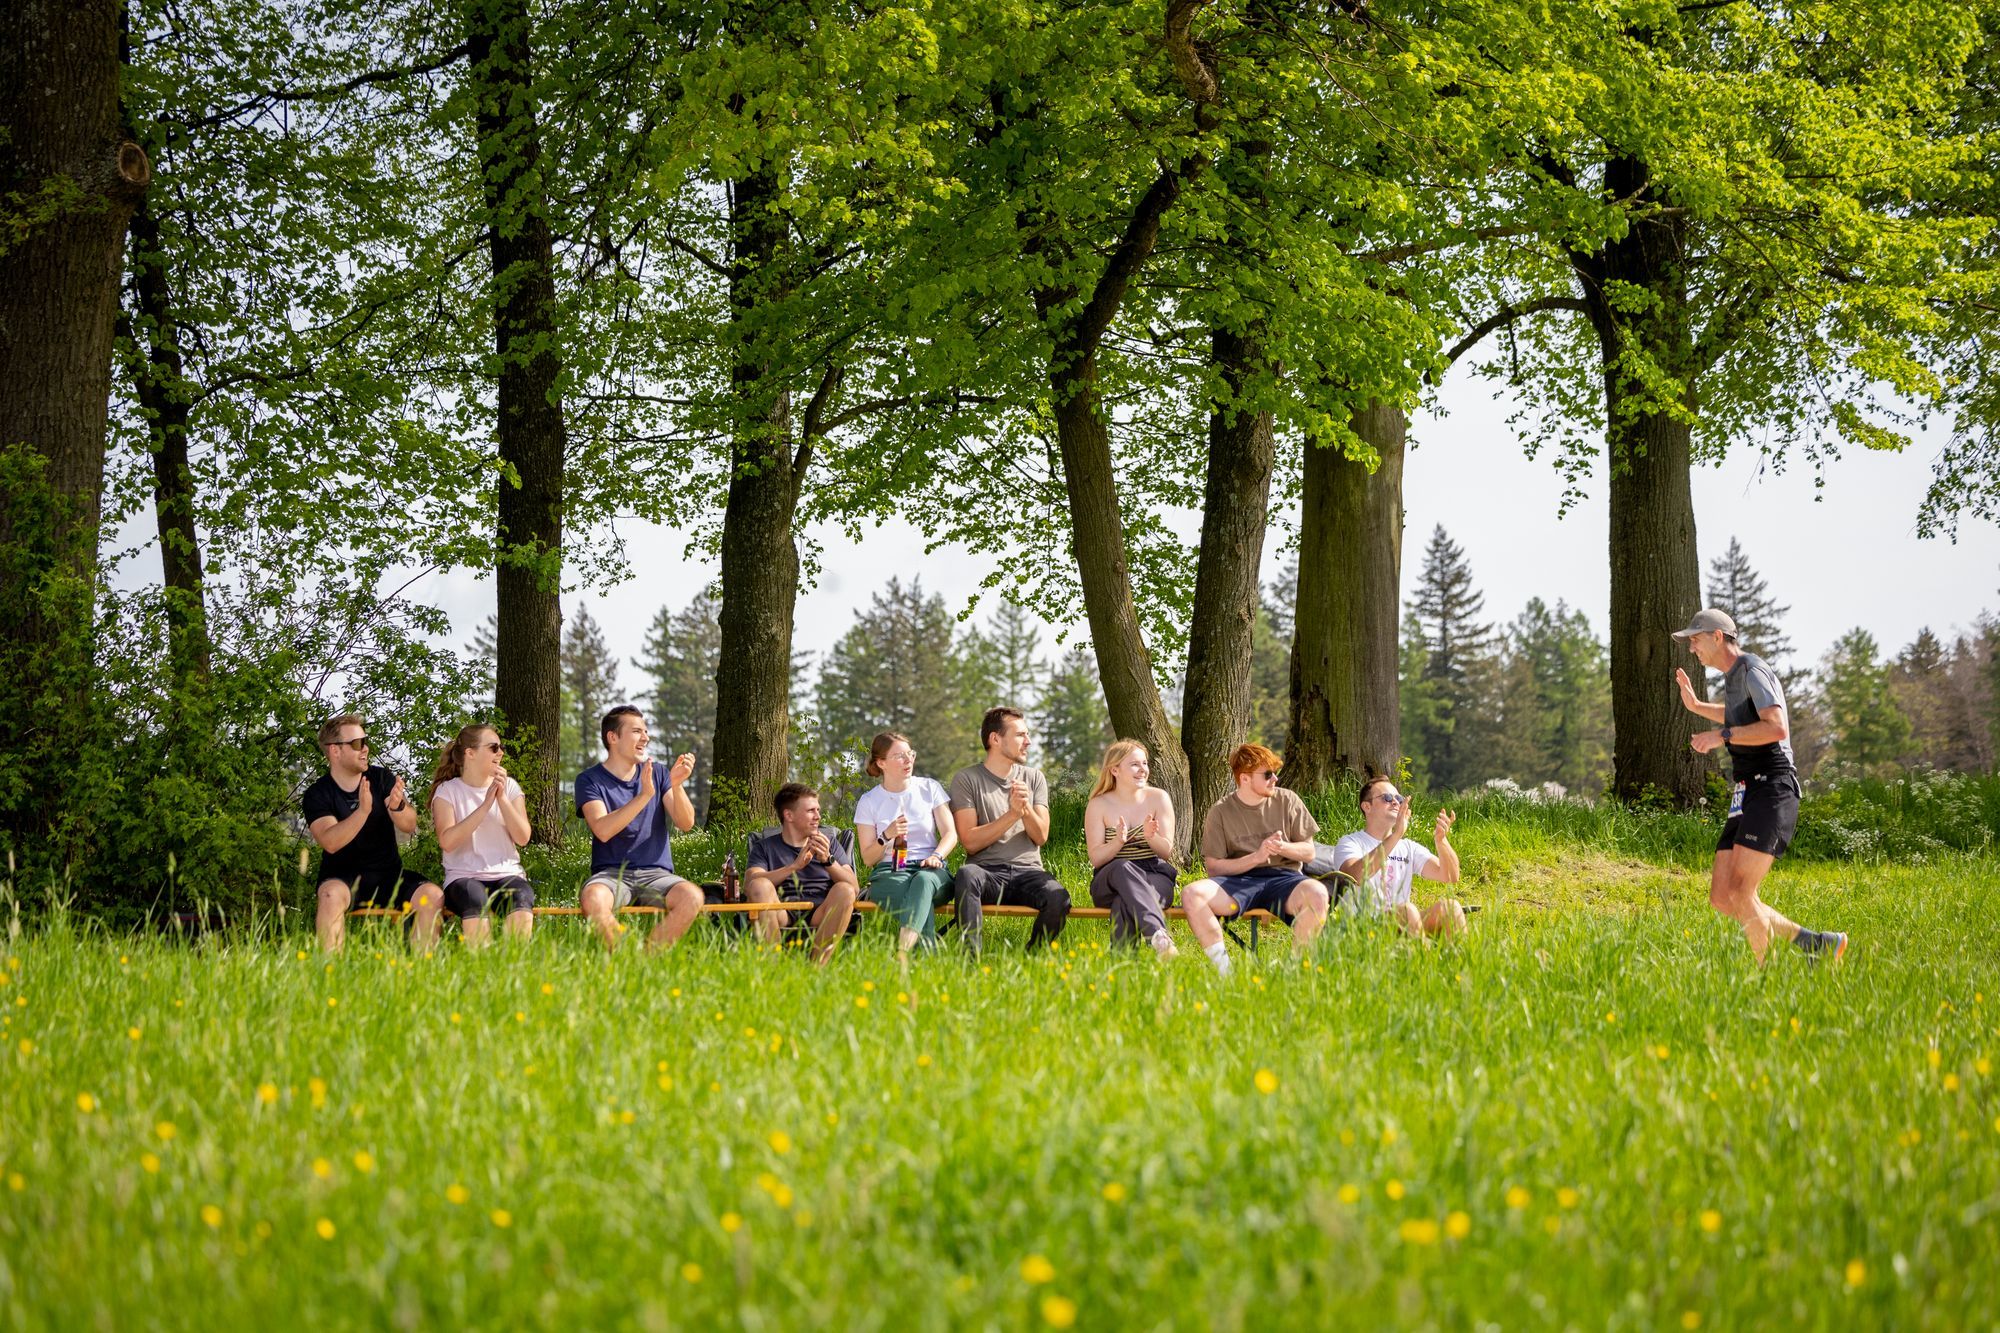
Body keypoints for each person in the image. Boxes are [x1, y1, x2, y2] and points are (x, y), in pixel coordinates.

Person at [1673, 607, 1846, 964]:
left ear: (1717, 637)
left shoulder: (1753, 670)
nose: (1692, 648)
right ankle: (1816, 944)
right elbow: (1737, 715)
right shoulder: (1734, 676)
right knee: (1723, 896)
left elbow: (1775, 727)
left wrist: (1721, 736)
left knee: (1741, 891)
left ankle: (1764, 976)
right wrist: (1697, 706)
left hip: (1772, 787)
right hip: (1746, 790)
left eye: (1696, 640)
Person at [303, 713, 444, 953]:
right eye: (357, 744)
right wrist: (362, 812)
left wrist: (397, 807)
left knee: (432, 895)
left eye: (366, 742)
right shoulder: (318, 794)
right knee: (329, 896)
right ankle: (329, 969)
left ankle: (423, 968)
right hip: (343, 878)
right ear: (335, 750)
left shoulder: (380, 778)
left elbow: (410, 825)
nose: (365, 749)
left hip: (388, 876)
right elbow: (330, 841)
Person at [1181, 744, 1329, 969]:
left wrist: (1281, 848)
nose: (1275, 779)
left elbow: (1309, 852)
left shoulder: (1287, 800)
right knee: (1192, 894)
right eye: (1267, 774)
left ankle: (1294, 971)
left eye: (1275, 773)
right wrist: (1256, 857)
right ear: (1245, 778)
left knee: (1318, 893)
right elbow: (1214, 868)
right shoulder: (1220, 811)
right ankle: (1224, 972)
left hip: (1285, 878)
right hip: (1238, 882)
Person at [575, 705, 701, 952]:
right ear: (613, 737)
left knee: (692, 896)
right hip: (611, 875)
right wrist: (644, 796)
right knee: (592, 898)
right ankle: (625, 954)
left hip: (657, 875)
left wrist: (676, 784)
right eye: (636, 731)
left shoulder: (658, 773)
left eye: (646, 731)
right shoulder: (589, 780)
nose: (646, 737)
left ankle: (647, 958)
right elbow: (602, 829)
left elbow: (686, 823)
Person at [949, 707, 1069, 954]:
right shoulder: (966, 779)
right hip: (987, 873)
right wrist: (1012, 815)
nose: (1028, 741)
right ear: (995, 738)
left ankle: (1032, 957)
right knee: (966, 875)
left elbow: (1041, 836)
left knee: (1058, 897)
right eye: (1020, 735)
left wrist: (1025, 809)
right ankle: (970, 960)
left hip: (1029, 873)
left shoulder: (1034, 778)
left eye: (1028, 734)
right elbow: (970, 841)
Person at [428, 723, 536, 947]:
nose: (500, 753)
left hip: (507, 873)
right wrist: (486, 805)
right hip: (463, 877)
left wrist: (501, 798)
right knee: (475, 899)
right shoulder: (448, 791)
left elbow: (523, 837)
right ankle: (482, 963)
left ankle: (515, 964)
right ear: (471, 753)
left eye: (501, 747)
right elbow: (447, 841)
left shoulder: (511, 787)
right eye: (493, 747)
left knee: (521, 897)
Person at [854, 732, 958, 955]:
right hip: (890, 872)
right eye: (899, 756)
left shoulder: (929, 788)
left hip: (931, 868)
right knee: (920, 900)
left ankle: (902, 953)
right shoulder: (869, 801)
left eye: (910, 754)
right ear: (881, 763)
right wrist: (886, 836)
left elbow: (950, 834)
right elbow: (868, 858)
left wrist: (937, 856)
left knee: (923, 881)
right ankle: (923, 964)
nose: (908, 760)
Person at [1331, 777, 1465, 939]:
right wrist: (1396, 835)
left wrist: (1441, 841)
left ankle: (1456, 956)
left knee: (1451, 908)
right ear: (1367, 806)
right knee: (1408, 911)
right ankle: (1423, 954)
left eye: (1399, 798)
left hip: (1402, 921)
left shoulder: (1408, 847)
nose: (1395, 802)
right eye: (1387, 798)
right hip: (1364, 928)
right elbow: (1355, 876)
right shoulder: (1350, 842)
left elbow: (1450, 876)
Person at [745, 783, 861, 966]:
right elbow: (750, 883)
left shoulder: (829, 844)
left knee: (845, 890)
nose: (818, 816)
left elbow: (854, 888)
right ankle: (773, 967)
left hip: (822, 912)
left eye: (818, 810)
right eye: (810, 811)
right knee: (759, 885)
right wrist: (793, 867)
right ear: (789, 815)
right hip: (781, 911)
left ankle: (816, 969)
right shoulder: (765, 847)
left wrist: (828, 860)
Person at [1083, 740, 1178, 959]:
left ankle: (1124, 968)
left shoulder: (1159, 798)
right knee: (1122, 866)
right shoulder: (1098, 804)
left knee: (1123, 901)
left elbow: (1166, 852)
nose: (1143, 769)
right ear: (1115, 770)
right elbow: (1096, 858)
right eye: (1135, 764)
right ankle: (1157, 934)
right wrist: (1118, 842)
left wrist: (1151, 837)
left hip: (1153, 873)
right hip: (1110, 877)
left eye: (1145, 763)